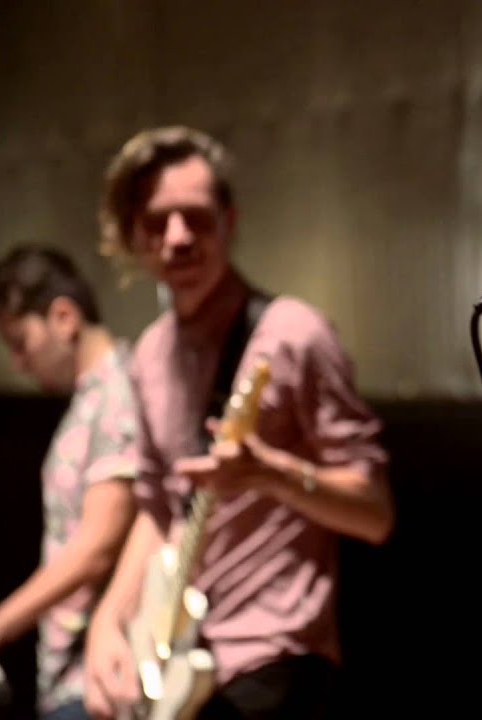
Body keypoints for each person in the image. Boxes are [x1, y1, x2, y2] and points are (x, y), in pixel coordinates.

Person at [81, 126, 395, 720]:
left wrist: (272, 474)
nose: (178, 237)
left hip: (276, 653)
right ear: (132, 235)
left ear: (228, 221)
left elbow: (375, 513)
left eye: (196, 217)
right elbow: (158, 508)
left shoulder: (294, 334)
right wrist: (108, 622)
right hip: (176, 655)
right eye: (157, 221)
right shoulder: (149, 353)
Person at [0, 246, 139, 720]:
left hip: (96, 679)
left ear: (64, 317)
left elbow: (97, 547)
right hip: (71, 676)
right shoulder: (91, 399)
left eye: (21, 342)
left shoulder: (117, 393)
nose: (18, 363)